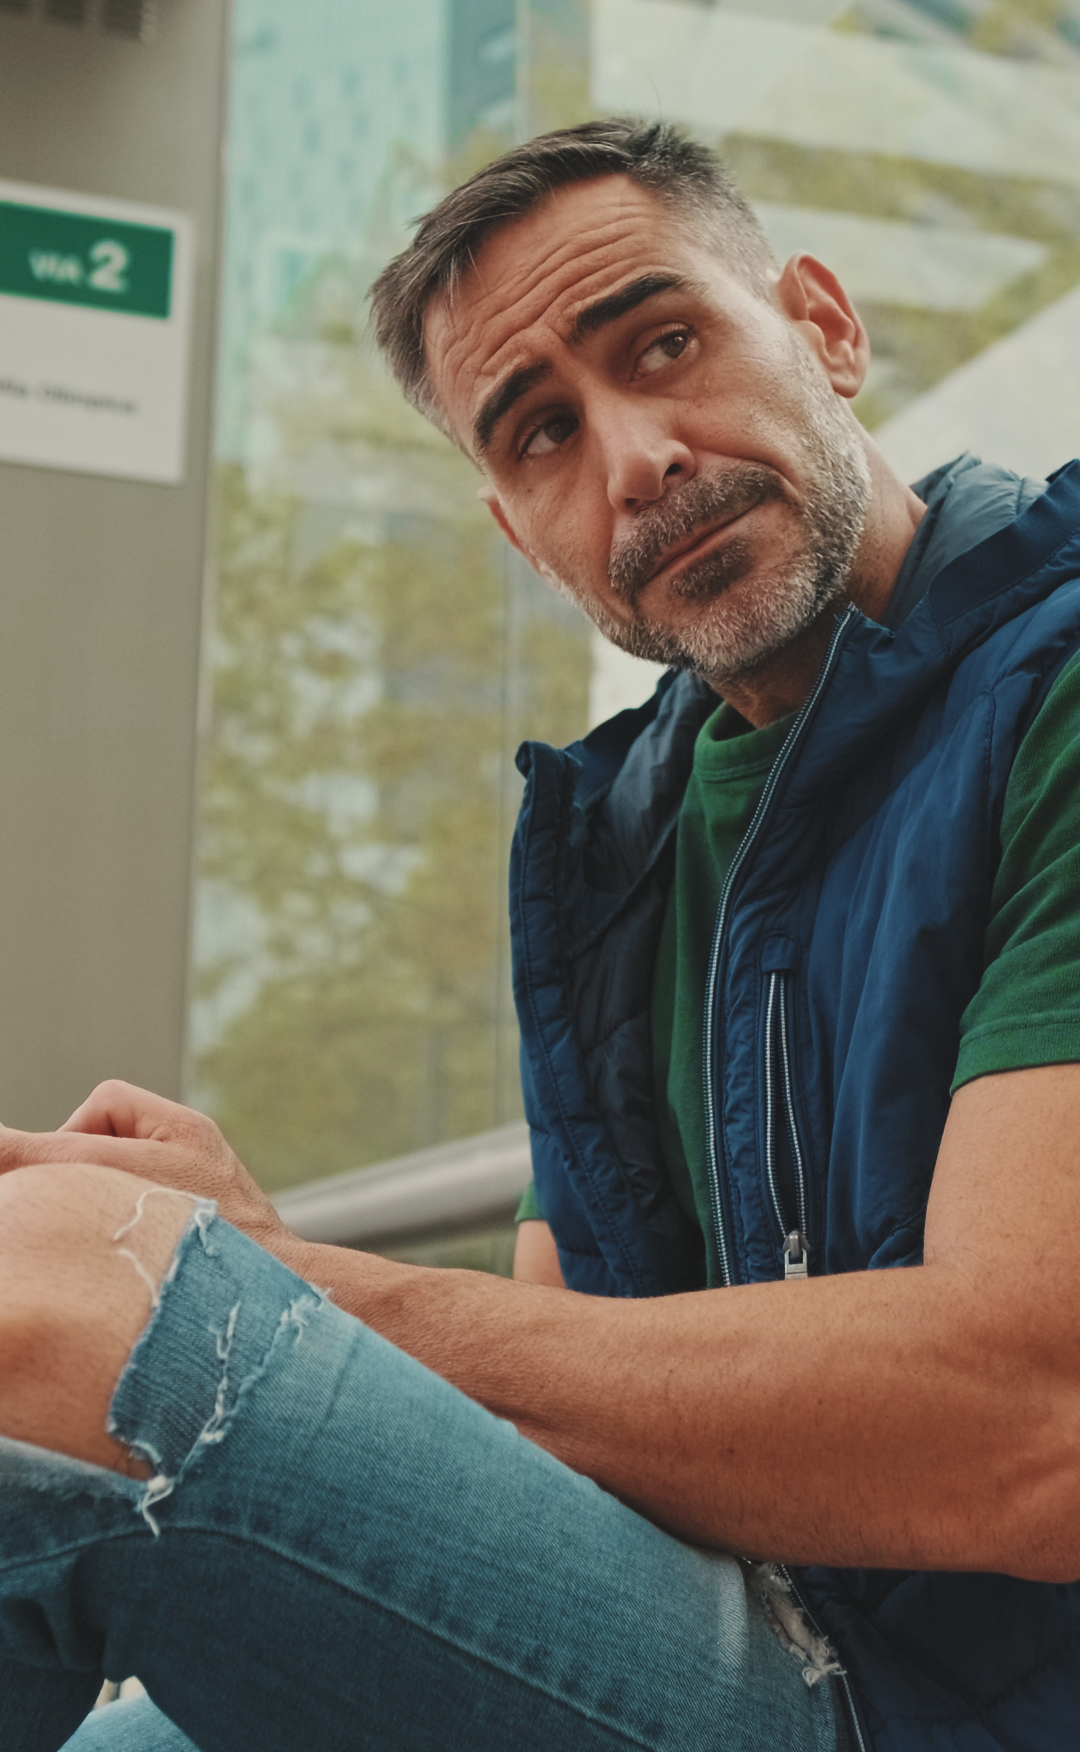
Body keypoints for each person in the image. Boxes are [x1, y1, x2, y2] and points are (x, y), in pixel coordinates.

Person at [3, 119, 1080, 1752]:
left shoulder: (1049, 697)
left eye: (666, 344)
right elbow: (564, 1377)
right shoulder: (609, 848)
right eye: (542, 434)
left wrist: (274, 1293)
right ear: (523, 535)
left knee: (53, 1311)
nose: (635, 459)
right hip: (720, 1631)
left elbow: (1034, 1420)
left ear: (826, 327)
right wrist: (256, 1255)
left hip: (960, 1711)